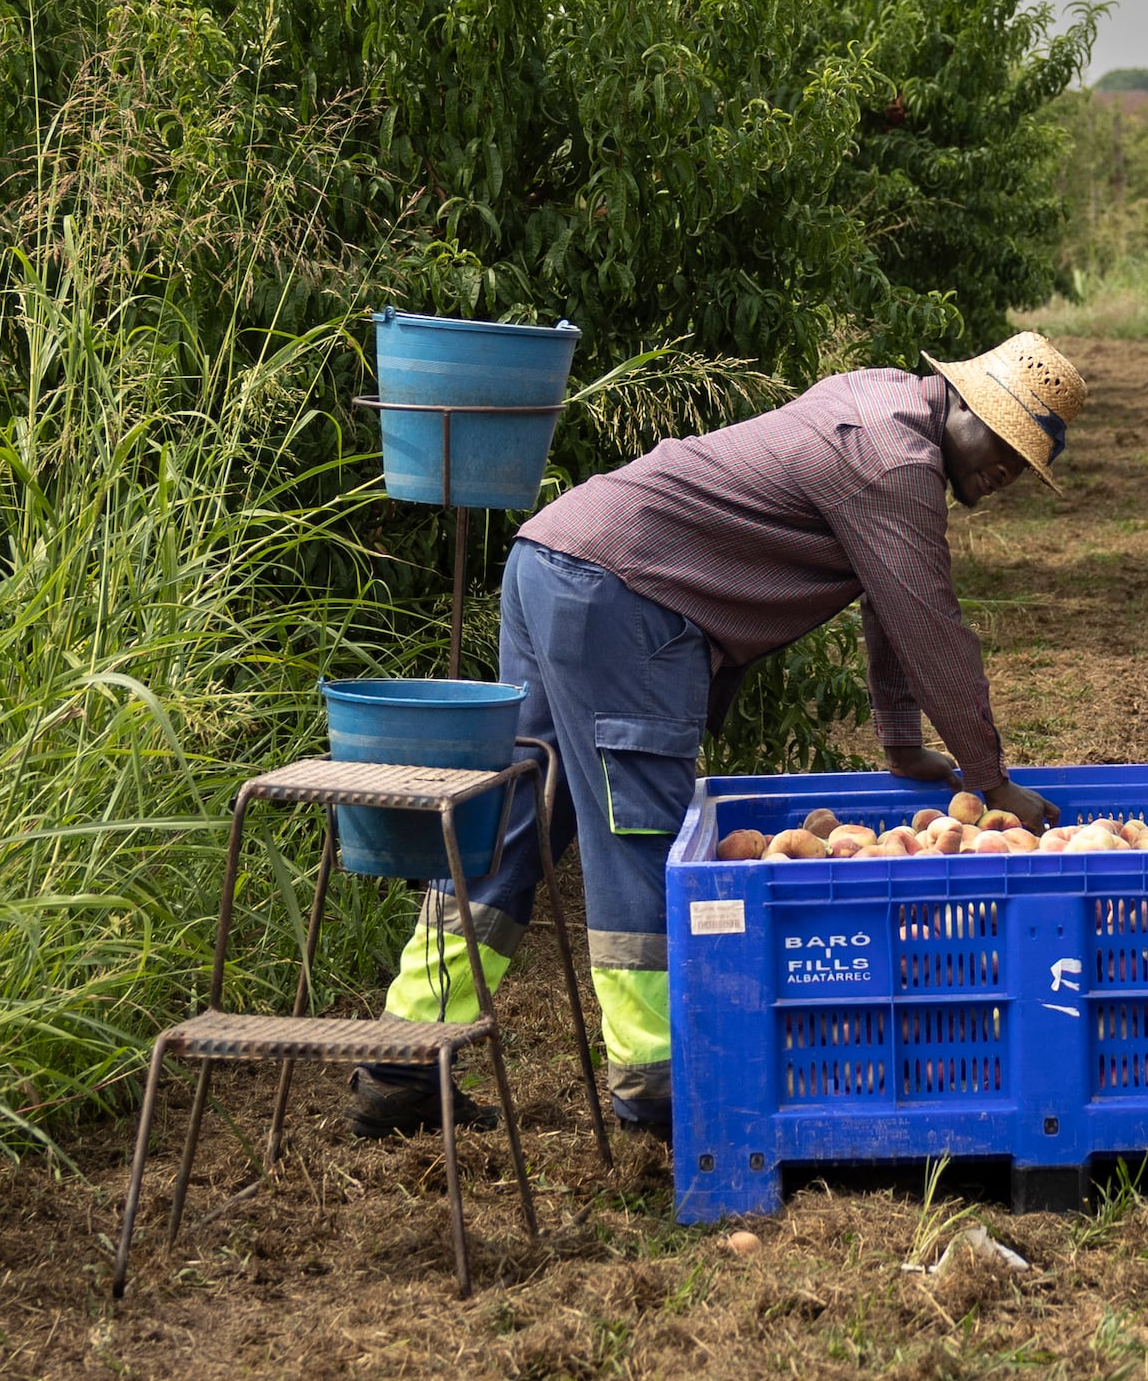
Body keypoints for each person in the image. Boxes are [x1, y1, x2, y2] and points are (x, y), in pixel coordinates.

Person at [366, 332, 1087, 1142]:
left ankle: (403, 1055)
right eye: (1006, 444)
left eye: (1025, 466)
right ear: (966, 403)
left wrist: (898, 742)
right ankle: (657, 1088)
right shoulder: (893, 461)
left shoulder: (879, 401)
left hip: (553, 558)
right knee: (639, 837)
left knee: (513, 823)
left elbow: (890, 600)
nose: (1006, 473)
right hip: (625, 598)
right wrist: (991, 781)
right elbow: (930, 625)